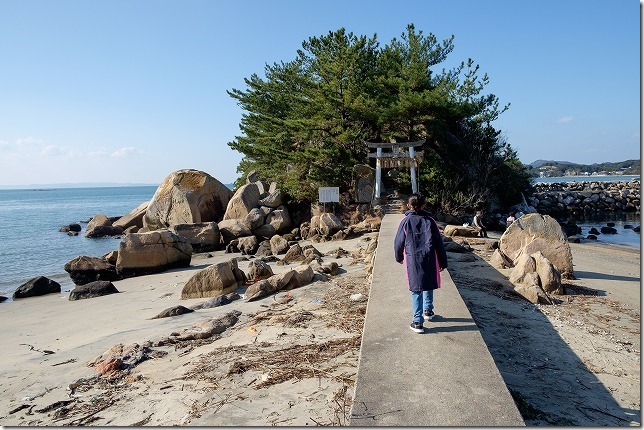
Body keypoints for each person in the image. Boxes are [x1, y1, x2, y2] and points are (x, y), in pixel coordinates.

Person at [394, 193, 448, 334]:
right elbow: (439, 243)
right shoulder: (430, 221)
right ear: (424, 205)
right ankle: (428, 310)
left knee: (416, 288)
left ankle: (418, 322)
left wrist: (398, 257)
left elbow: (398, 242)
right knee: (428, 283)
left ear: (408, 206)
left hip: (413, 259)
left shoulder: (405, 221)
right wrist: (443, 262)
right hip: (430, 258)